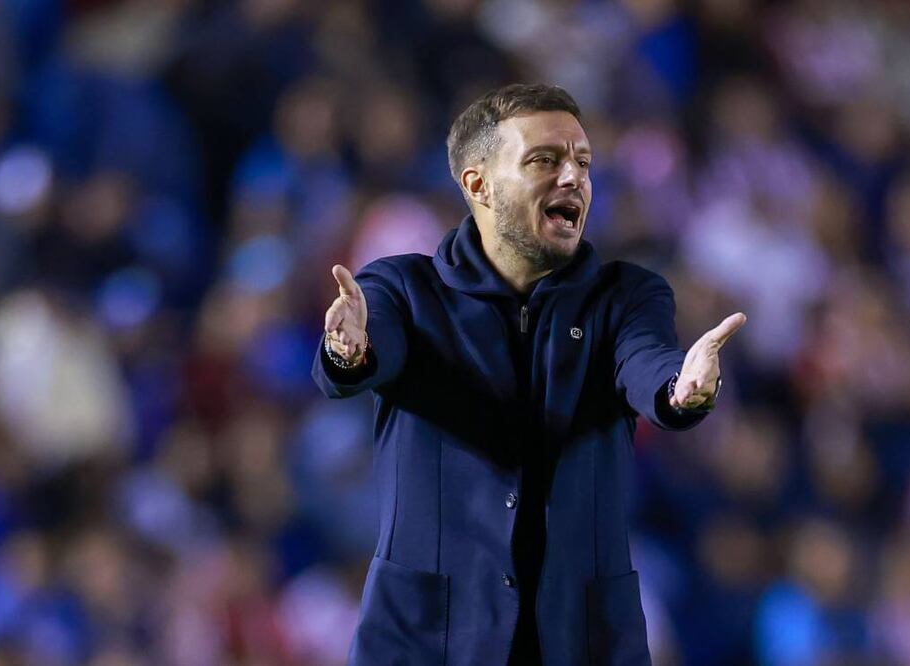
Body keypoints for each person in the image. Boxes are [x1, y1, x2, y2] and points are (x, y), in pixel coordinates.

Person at [313, 83, 745, 666]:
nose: (573, 177)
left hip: (580, 641)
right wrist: (349, 349)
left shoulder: (626, 296)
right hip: (426, 644)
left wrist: (680, 389)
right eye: (545, 160)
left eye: (583, 162)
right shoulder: (402, 290)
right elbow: (366, 353)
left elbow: (645, 361)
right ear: (479, 185)